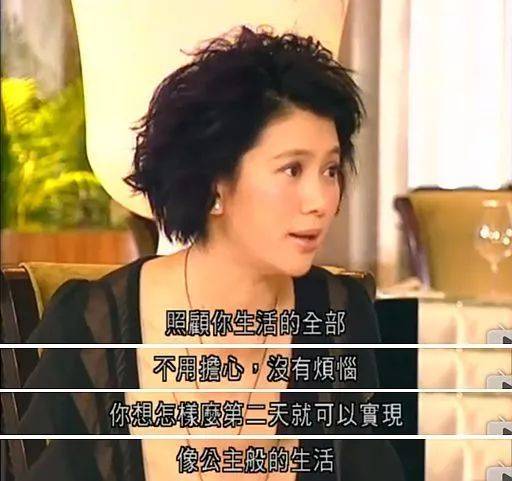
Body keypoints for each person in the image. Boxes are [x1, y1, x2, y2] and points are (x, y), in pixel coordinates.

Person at [17, 26, 406, 481]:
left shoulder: (340, 316)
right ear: (215, 185)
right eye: (292, 169)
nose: (320, 200)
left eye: (330, 170)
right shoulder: (93, 326)